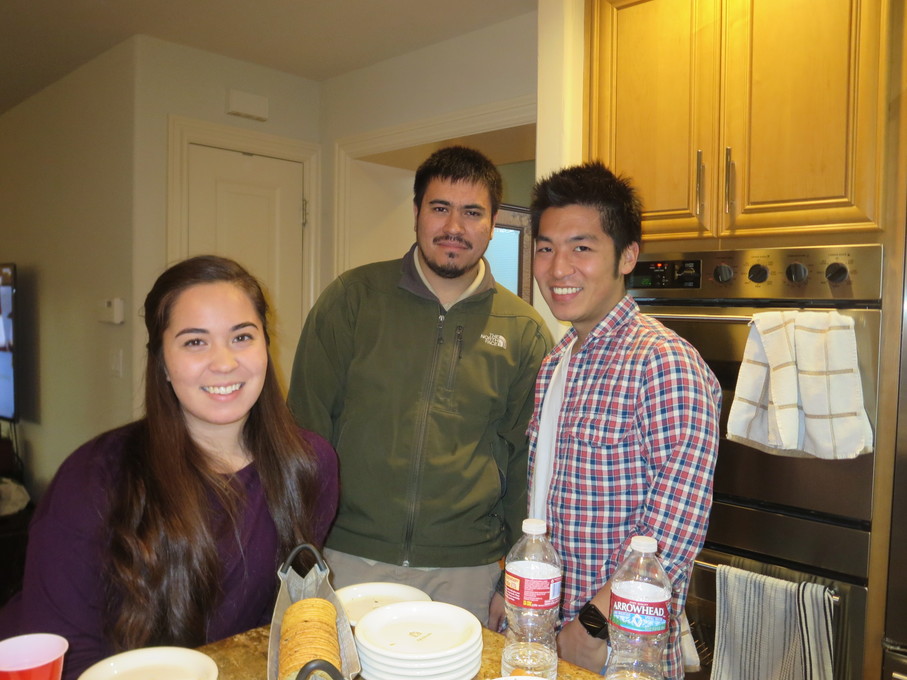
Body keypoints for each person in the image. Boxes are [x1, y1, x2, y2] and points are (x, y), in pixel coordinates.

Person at [0, 256, 339, 680]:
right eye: (195, 342)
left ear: (265, 345)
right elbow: (63, 652)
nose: (224, 362)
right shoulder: (94, 479)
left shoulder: (309, 466)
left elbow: (284, 623)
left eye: (242, 337)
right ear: (161, 360)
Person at [287, 146, 553, 623]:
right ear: (416, 214)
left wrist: (513, 577)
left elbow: (524, 468)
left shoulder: (524, 330)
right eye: (439, 208)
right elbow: (304, 432)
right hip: (347, 558)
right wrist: (304, 549)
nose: (455, 226)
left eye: (472, 212)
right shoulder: (353, 299)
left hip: (467, 571)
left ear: (493, 222)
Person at [514, 161, 720, 679]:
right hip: (547, 632)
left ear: (627, 256)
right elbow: (544, 501)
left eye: (581, 247)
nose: (558, 268)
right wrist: (513, 592)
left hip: (623, 649)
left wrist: (592, 626)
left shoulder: (663, 362)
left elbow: (674, 530)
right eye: (545, 247)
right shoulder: (556, 363)